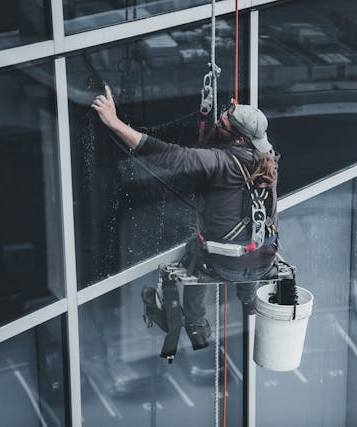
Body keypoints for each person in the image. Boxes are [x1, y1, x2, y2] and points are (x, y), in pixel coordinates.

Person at [92, 86, 279, 350]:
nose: (219, 119)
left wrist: (115, 123)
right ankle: (249, 301)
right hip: (263, 260)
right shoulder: (269, 162)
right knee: (248, 248)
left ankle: (196, 325)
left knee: (196, 250)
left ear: (238, 139)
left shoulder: (218, 163)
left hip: (226, 265)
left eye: (224, 120)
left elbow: (166, 155)